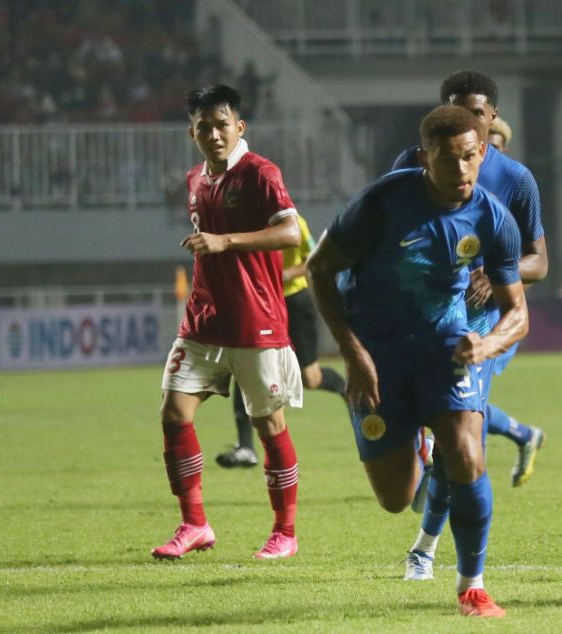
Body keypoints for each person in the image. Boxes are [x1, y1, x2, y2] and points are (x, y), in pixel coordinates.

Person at [306, 105, 529, 617]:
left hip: (444, 344)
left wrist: (486, 344)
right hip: (377, 354)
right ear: (425, 156)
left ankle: (472, 586)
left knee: (468, 455)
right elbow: (320, 271)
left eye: (471, 158)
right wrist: (353, 353)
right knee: (394, 496)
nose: (463, 172)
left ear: (483, 152)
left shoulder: (493, 217)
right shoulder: (381, 204)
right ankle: (424, 449)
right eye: (449, 160)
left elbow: (517, 312)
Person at [389, 71, 548, 582]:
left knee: (459, 444)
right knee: (447, 445)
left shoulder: (516, 180)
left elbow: (538, 262)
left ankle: (429, 553)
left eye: (476, 113)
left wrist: (492, 270)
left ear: (492, 118)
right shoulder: (410, 167)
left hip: (480, 328)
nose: (467, 121)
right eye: (455, 110)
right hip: (421, 322)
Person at [152, 83, 303, 561]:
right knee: (174, 412)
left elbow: (288, 231)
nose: (214, 134)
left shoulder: (261, 173)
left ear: (240, 127)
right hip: (203, 321)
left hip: (256, 321)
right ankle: (194, 524)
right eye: (204, 127)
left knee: (268, 425)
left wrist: (225, 241)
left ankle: (285, 531)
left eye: (222, 125)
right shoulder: (196, 178)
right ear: (192, 131)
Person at [216, 213, 349, 468]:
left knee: (309, 377)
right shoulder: (245, 223)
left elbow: (314, 257)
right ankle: (246, 447)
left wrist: (287, 273)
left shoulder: (294, 222)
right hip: (260, 304)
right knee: (244, 367)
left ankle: (343, 386)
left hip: (295, 301)